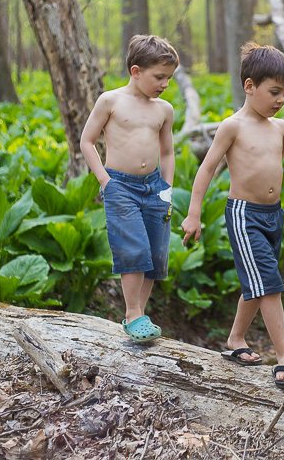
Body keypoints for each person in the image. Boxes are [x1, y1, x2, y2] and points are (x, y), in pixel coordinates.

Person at [181, 42, 284, 389]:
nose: (280, 100)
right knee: (269, 283)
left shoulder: (281, 128)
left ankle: (235, 341)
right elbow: (206, 170)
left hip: (273, 216)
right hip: (244, 216)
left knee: (257, 284)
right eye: (274, 92)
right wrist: (194, 214)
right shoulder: (232, 127)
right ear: (250, 87)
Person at [80, 34, 179, 343]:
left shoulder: (164, 109)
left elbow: (167, 152)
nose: (164, 83)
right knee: (133, 248)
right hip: (120, 185)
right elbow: (87, 141)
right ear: (136, 71)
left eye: (169, 78)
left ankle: (139, 315)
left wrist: (167, 188)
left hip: (154, 187)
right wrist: (104, 181)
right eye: (158, 77)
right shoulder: (110, 100)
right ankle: (132, 314)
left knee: (154, 252)